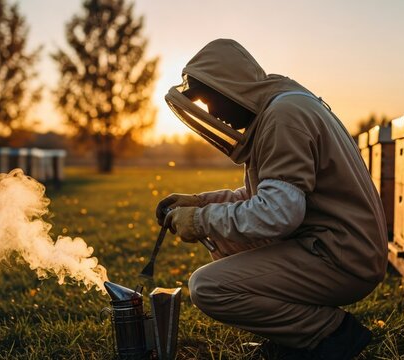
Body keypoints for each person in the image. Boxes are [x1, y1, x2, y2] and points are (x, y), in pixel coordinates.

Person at [157, 39, 388, 360]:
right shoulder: (280, 109)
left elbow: (278, 213)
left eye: (210, 101)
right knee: (226, 243)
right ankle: (295, 338)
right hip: (332, 246)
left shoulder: (283, 117)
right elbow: (260, 198)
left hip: (340, 256)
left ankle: (329, 334)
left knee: (209, 288)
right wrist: (199, 202)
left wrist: (200, 220)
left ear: (229, 86)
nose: (212, 113)